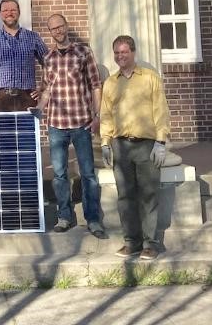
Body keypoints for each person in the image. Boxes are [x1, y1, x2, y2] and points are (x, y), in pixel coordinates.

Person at [31, 14, 105, 237]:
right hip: (56, 124)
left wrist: (97, 115)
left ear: (66, 26)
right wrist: (39, 108)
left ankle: (93, 219)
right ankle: (64, 216)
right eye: (53, 29)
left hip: (81, 122)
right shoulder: (49, 58)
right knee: (60, 175)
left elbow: (95, 85)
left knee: (88, 174)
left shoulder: (83, 52)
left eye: (60, 26)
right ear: (50, 32)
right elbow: (47, 89)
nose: (58, 31)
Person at [100, 35, 170, 260]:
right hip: (121, 145)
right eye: (117, 53)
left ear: (133, 52)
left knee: (148, 194)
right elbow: (106, 116)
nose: (120, 56)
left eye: (124, 52)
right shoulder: (111, 83)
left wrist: (161, 142)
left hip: (146, 145)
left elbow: (161, 110)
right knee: (125, 196)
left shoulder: (150, 78)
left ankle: (150, 243)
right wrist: (105, 142)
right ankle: (132, 242)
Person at [0, 0, 48, 112]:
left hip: (27, 97)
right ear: (0, 14)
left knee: (28, 130)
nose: (9, 13)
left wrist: (43, 88)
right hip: (0, 99)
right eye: (5, 10)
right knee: (3, 130)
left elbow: (49, 63)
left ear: (19, 12)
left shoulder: (33, 37)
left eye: (13, 10)